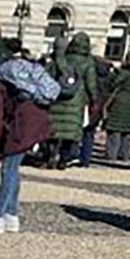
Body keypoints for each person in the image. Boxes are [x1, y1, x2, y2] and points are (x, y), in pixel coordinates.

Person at [0, 40, 52, 235]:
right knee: (13, 168)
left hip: (25, 123)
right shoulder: (8, 72)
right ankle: (11, 216)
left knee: (9, 169)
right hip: (34, 120)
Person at [46, 33, 97, 170]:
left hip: (59, 96)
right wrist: (94, 100)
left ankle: (51, 155)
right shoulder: (88, 61)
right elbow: (91, 84)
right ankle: (64, 159)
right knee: (70, 132)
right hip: (76, 99)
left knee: (55, 128)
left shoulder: (63, 58)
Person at [104, 50, 130, 161]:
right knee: (127, 131)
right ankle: (124, 155)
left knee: (114, 130)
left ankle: (111, 154)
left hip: (120, 102)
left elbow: (112, 84)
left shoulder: (122, 73)